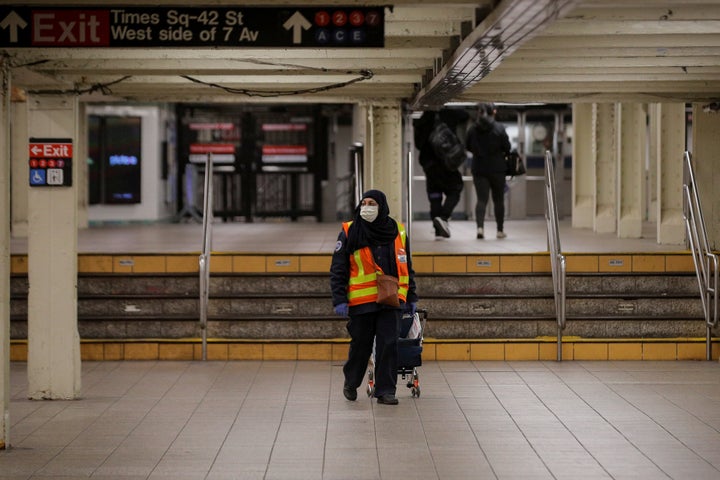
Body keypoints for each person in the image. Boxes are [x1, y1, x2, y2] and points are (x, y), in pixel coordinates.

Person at [330, 190, 419, 405]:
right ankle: (351, 382)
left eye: (372, 203)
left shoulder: (397, 231)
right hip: (362, 301)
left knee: (389, 344)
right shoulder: (350, 231)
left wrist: (411, 295)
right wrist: (339, 298)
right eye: (364, 203)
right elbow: (338, 267)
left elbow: (407, 265)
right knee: (361, 344)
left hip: (391, 298)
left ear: (382, 206)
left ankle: (385, 390)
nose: (367, 207)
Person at [413, 108, 470, 239]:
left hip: (429, 165)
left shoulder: (423, 120)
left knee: (435, 196)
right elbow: (465, 115)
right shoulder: (449, 114)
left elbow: (418, 145)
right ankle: (443, 218)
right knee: (456, 189)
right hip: (446, 162)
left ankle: (438, 231)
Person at [466, 102, 511, 239]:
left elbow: (468, 146)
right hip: (497, 169)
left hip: (479, 168)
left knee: (481, 199)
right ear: (493, 112)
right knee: (498, 200)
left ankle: (480, 229)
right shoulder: (499, 128)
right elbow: (507, 147)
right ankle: (499, 230)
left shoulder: (473, 129)